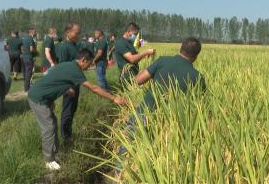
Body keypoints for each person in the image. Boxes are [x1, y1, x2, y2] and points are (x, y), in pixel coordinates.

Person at [116, 37, 207, 175]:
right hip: (169, 124)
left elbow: (138, 81)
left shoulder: (163, 61)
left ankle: (119, 175)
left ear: (180, 48)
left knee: (127, 147)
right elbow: (199, 108)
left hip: (144, 112)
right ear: (195, 56)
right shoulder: (198, 77)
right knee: (156, 159)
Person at [28, 49, 127, 171]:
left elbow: (55, 78)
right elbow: (94, 88)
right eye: (89, 64)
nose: (89, 67)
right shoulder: (75, 70)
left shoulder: (68, 65)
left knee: (52, 123)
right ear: (83, 60)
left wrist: (66, 88)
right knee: (49, 127)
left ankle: (55, 153)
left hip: (42, 95)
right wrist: (114, 98)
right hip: (38, 98)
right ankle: (49, 161)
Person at [57, 23, 82, 143]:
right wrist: (67, 87)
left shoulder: (74, 45)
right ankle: (65, 137)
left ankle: (69, 133)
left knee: (73, 109)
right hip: (69, 85)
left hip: (76, 83)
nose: (78, 35)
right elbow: (62, 68)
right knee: (67, 110)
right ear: (68, 32)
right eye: (76, 33)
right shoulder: (64, 47)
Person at [115, 22, 155, 87]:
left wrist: (144, 56)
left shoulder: (129, 43)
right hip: (127, 78)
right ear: (128, 31)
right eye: (135, 34)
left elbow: (136, 57)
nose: (136, 36)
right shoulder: (121, 43)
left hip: (135, 76)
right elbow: (132, 59)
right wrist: (146, 52)